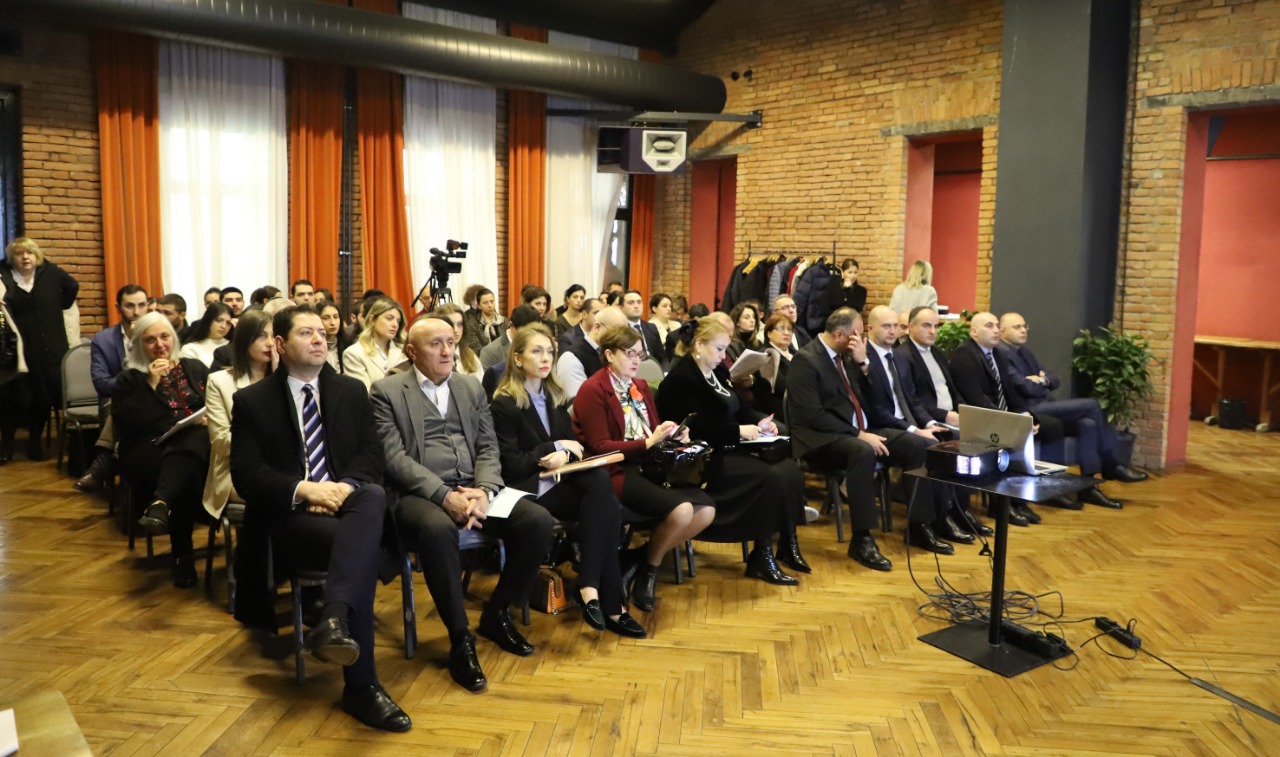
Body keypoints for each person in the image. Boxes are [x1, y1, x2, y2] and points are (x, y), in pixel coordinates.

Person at [230, 305, 411, 732]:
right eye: (306, 333)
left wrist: (341, 488)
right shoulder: (253, 401)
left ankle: (333, 620)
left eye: (321, 333)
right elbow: (247, 474)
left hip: (348, 506)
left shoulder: (351, 390)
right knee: (361, 549)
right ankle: (361, 685)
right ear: (279, 344)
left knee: (371, 495)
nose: (319, 339)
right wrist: (306, 490)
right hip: (290, 518)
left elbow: (372, 454)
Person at [371, 316, 555, 693]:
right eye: (435, 344)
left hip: (474, 488)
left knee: (536, 520)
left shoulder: (470, 386)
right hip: (419, 495)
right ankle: (460, 638)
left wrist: (484, 490)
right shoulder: (386, 391)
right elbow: (395, 459)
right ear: (411, 351)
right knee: (438, 530)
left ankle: (497, 612)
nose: (447, 352)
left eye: (451, 343)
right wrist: (444, 496)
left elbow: (488, 446)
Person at [489, 324, 645, 638]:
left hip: (558, 481)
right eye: (537, 351)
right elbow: (512, 465)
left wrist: (565, 454)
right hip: (526, 487)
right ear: (517, 358)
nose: (545, 358)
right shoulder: (505, 403)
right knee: (607, 505)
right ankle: (609, 602)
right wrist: (554, 449)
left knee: (602, 491)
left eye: (550, 351)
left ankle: (591, 590)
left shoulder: (554, 396)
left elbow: (575, 448)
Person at [573, 325, 716, 611]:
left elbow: (652, 429)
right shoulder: (593, 389)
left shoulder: (639, 386)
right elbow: (600, 447)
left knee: (706, 511)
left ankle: (637, 559)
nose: (636, 360)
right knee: (682, 511)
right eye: (630, 354)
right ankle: (649, 570)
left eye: (640, 354)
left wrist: (672, 434)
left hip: (649, 466)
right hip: (615, 471)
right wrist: (648, 442)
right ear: (609, 354)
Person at [656, 317, 806, 583]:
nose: (723, 356)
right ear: (699, 345)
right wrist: (738, 431)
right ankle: (761, 556)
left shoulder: (717, 371)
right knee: (769, 476)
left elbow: (738, 408)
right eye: (719, 349)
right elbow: (695, 428)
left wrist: (758, 423)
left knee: (788, 469)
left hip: (727, 447)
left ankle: (787, 540)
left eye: (725, 349)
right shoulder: (681, 380)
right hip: (702, 458)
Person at [785, 307, 901, 571]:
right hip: (820, 439)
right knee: (862, 451)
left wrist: (864, 363)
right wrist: (858, 434)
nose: (860, 340)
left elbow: (876, 399)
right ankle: (862, 539)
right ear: (839, 335)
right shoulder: (806, 360)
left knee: (914, 444)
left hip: (857, 431)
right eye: (856, 335)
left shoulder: (848, 357)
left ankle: (923, 523)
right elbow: (813, 415)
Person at [997, 312, 1147, 500]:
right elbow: (1024, 386)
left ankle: (1088, 487)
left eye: (1024, 326)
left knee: (1088, 424)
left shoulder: (1024, 352)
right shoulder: (1001, 354)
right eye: (1016, 327)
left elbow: (1054, 379)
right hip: (1029, 409)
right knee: (1092, 405)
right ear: (1002, 331)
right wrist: (1040, 382)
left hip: (1044, 403)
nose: (1023, 330)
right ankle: (1110, 464)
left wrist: (1041, 379)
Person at [861, 306, 975, 547]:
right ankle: (919, 526)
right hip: (877, 428)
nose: (892, 331)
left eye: (895, 326)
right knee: (922, 445)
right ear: (869, 328)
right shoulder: (863, 358)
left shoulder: (899, 358)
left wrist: (930, 423)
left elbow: (912, 401)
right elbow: (876, 410)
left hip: (906, 424)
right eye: (886, 326)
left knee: (946, 439)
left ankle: (947, 515)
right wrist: (914, 430)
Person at [949, 311, 1078, 521]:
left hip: (1001, 413)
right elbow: (977, 399)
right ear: (974, 332)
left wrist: (1026, 416)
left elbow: (1010, 393)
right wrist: (1012, 421)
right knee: (1012, 435)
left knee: (1050, 426)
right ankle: (1003, 504)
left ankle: (1038, 493)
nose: (995, 330)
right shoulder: (965, 355)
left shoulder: (997, 354)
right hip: (980, 417)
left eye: (996, 325)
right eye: (989, 326)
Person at [115, 312, 211, 587]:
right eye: (150, 340)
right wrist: (151, 384)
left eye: (165, 337)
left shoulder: (194, 367)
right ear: (139, 344)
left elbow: (215, 403)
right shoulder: (130, 378)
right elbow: (129, 422)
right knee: (186, 465)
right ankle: (183, 553)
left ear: (174, 338)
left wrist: (209, 418)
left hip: (194, 447)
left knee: (189, 449)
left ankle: (161, 506)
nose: (160, 345)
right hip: (148, 449)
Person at [0, 237, 80, 461]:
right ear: (12, 258)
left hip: (49, 349)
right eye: (19, 254)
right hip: (17, 350)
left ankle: (35, 444)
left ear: (37, 256)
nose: (25, 257)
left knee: (43, 398)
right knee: (11, 398)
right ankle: (6, 446)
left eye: (30, 253)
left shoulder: (51, 273)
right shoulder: (3, 274)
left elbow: (72, 286)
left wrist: (59, 304)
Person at [202, 309, 275, 526]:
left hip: (285, 468)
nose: (270, 343)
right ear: (244, 340)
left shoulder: (287, 379)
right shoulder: (219, 382)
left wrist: (280, 375)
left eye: (274, 336)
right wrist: (270, 441)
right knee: (283, 495)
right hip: (236, 472)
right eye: (261, 336)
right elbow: (221, 442)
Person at [75, 284, 150, 490]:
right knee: (119, 405)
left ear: (148, 306)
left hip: (154, 395)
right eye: (130, 306)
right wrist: (133, 382)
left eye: (141, 305)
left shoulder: (156, 334)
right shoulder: (104, 339)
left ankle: (103, 460)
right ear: (118, 308)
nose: (136, 312)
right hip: (117, 398)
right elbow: (101, 383)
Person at [555, 304, 628, 400]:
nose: (621, 339)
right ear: (597, 327)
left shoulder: (613, 354)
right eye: (616, 333)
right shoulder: (571, 358)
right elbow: (579, 402)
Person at [342, 297, 406, 391]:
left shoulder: (404, 351)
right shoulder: (354, 353)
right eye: (389, 318)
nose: (395, 324)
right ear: (372, 320)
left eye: (398, 321)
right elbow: (365, 394)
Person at [753, 313, 796, 418]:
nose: (786, 333)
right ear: (769, 334)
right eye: (781, 328)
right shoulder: (765, 355)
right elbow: (780, 386)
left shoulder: (795, 354)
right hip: (777, 411)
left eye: (790, 329)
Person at [479, 303, 539, 372]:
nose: (530, 336)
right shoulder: (490, 352)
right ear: (511, 325)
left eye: (534, 331)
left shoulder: (540, 346)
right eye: (525, 332)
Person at [434, 302, 484, 382]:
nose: (456, 330)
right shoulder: (433, 357)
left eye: (459, 324)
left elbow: (479, 386)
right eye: (450, 324)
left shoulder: (470, 356)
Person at [619, 289, 668, 367]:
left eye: (639, 302)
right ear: (621, 307)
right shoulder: (619, 330)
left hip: (652, 369)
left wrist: (665, 371)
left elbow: (662, 357)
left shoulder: (651, 327)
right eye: (631, 303)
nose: (636, 306)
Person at [179, 302, 233, 367]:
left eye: (228, 323)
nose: (224, 326)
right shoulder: (190, 348)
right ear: (208, 320)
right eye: (218, 320)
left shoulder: (233, 346)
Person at [463, 286, 505, 355]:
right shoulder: (468, 318)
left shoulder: (495, 316)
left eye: (491, 301)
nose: (489, 305)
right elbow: (475, 347)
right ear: (471, 300)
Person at [318, 301, 353, 373]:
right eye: (326, 318)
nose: (333, 323)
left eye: (336, 317)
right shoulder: (312, 346)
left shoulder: (348, 344)